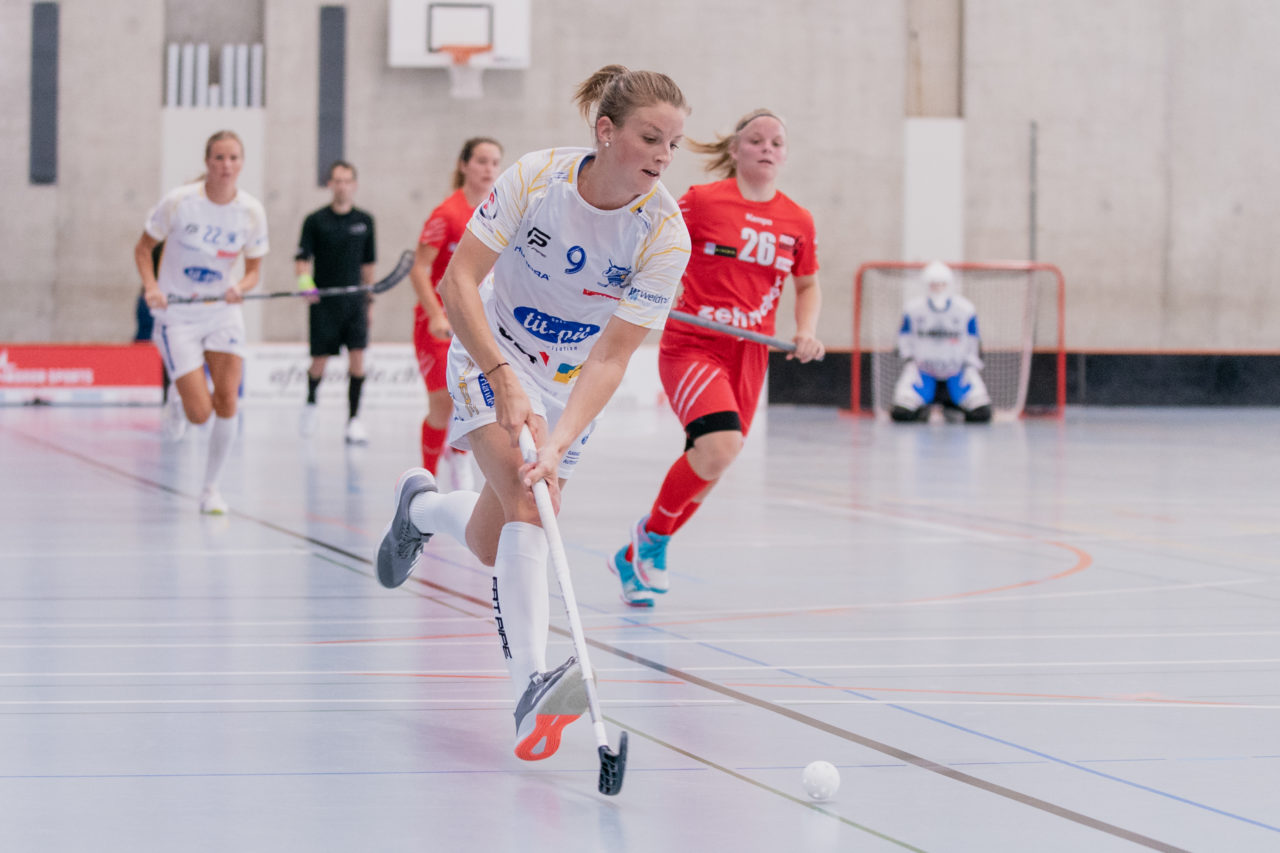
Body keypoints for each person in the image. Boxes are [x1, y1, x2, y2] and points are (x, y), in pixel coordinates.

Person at [375, 65, 691, 761]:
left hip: (567, 381)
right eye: (650, 137)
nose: (664, 157)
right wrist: (499, 375)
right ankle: (530, 688)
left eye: (673, 144)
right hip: (487, 349)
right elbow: (458, 280)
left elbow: (612, 356)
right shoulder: (534, 179)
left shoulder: (665, 234)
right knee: (528, 501)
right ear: (605, 132)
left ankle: (421, 509)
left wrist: (563, 436)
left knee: (495, 540)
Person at [608, 109, 825, 607]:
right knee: (721, 446)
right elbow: (649, 239)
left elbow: (807, 283)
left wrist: (806, 329)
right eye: (755, 139)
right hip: (693, 345)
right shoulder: (702, 202)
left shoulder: (798, 220)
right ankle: (652, 541)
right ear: (735, 149)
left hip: (750, 356)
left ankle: (634, 553)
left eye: (777, 142)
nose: (767, 147)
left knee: (711, 463)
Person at [135, 129, 269, 515]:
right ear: (207, 162)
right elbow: (143, 249)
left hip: (222, 312)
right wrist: (151, 287)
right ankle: (178, 397)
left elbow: (254, 271)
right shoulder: (179, 203)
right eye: (219, 158)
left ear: (241, 163)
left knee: (228, 399)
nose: (226, 166)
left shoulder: (251, 211)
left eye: (233, 158)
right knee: (200, 414)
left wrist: (240, 286)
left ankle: (211, 489)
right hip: (176, 314)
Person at [409, 137, 503, 487]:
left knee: (471, 400)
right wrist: (435, 314)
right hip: (439, 325)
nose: (489, 169)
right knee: (440, 405)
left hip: (477, 324)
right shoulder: (446, 214)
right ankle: (426, 480)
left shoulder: (499, 212)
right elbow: (419, 269)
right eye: (481, 161)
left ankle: (460, 463)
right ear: (464, 165)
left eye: (495, 162)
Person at [295, 161, 378, 444]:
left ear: (354, 184)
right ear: (330, 184)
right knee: (319, 361)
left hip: (354, 302)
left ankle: (354, 420)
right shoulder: (315, 220)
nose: (342, 185)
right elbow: (302, 260)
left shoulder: (365, 221)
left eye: (347, 180)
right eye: (337, 180)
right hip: (324, 304)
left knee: (357, 360)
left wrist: (369, 302)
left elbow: (368, 266)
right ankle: (310, 403)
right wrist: (306, 285)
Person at [889, 260, 992, 423]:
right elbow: (903, 339)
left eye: (941, 284)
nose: (937, 288)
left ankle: (952, 407)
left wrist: (970, 364)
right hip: (923, 373)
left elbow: (974, 342)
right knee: (901, 414)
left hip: (957, 373)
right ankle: (924, 410)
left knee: (982, 414)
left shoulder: (965, 309)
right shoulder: (913, 309)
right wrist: (910, 360)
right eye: (933, 284)